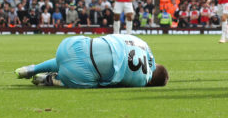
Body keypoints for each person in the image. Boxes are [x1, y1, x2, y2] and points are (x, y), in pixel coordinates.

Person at [14, 34, 168, 88]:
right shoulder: (143, 80)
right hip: (78, 74)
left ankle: (33, 68)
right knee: (95, 83)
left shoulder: (144, 45)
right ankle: (51, 79)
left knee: (63, 59)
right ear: (151, 82)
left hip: (70, 46)